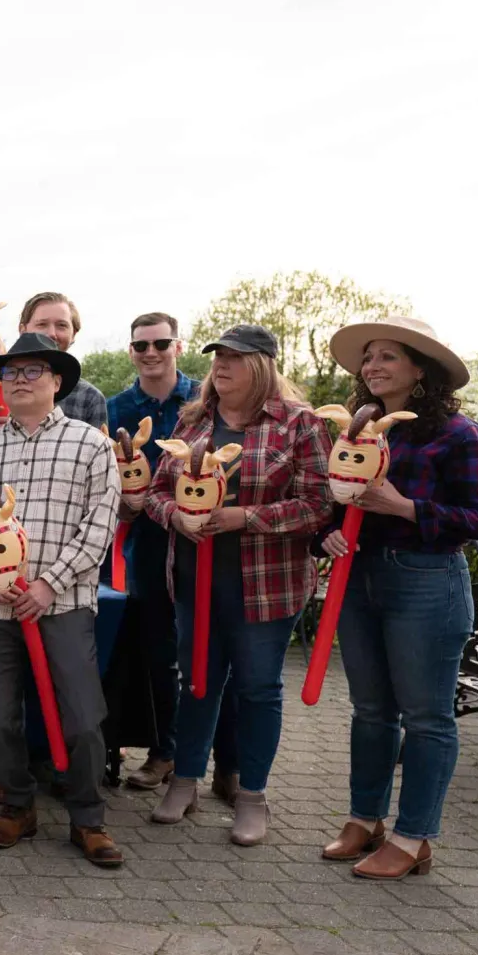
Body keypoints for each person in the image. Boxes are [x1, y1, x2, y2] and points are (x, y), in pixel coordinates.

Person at [318, 317, 478, 880]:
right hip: (360, 575)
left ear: (422, 370)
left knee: (426, 717)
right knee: (371, 711)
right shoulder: (359, 432)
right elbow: (339, 502)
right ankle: (364, 819)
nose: (372, 366)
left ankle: (413, 835)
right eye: (368, 357)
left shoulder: (460, 435)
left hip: (425, 580)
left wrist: (405, 507)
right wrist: (324, 532)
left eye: (387, 356)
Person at [146, 324, 331, 845]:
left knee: (256, 689)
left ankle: (252, 797)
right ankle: (184, 782)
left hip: (265, 586)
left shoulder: (300, 424)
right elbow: (159, 491)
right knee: (197, 682)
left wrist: (246, 517)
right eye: (217, 357)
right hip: (193, 581)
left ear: (263, 365)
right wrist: (175, 518)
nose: (221, 366)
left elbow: (318, 505)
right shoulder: (192, 420)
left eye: (235, 357)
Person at [0, 334, 125, 866]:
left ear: (57, 382)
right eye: (11, 373)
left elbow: (102, 525)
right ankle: (18, 805)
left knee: (81, 717)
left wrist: (48, 583)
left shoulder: (90, 444)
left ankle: (87, 819)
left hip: (65, 602)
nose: (20, 380)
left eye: (33, 371)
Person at [105, 311, 205, 791]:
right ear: (131, 351)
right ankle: (165, 752)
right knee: (159, 654)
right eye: (141, 345)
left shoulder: (209, 399)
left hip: (206, 541)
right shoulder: (116, 408)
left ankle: (224, 765)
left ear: (177, 347)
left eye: (160, 344)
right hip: (145, 543)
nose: (150, 353)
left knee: (211, 653)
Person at [0, 292, 108, 430]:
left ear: (73, 334)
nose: (51, 333)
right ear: (23, 330)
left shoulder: (89, 398)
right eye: (42, 324)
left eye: (61, 325)